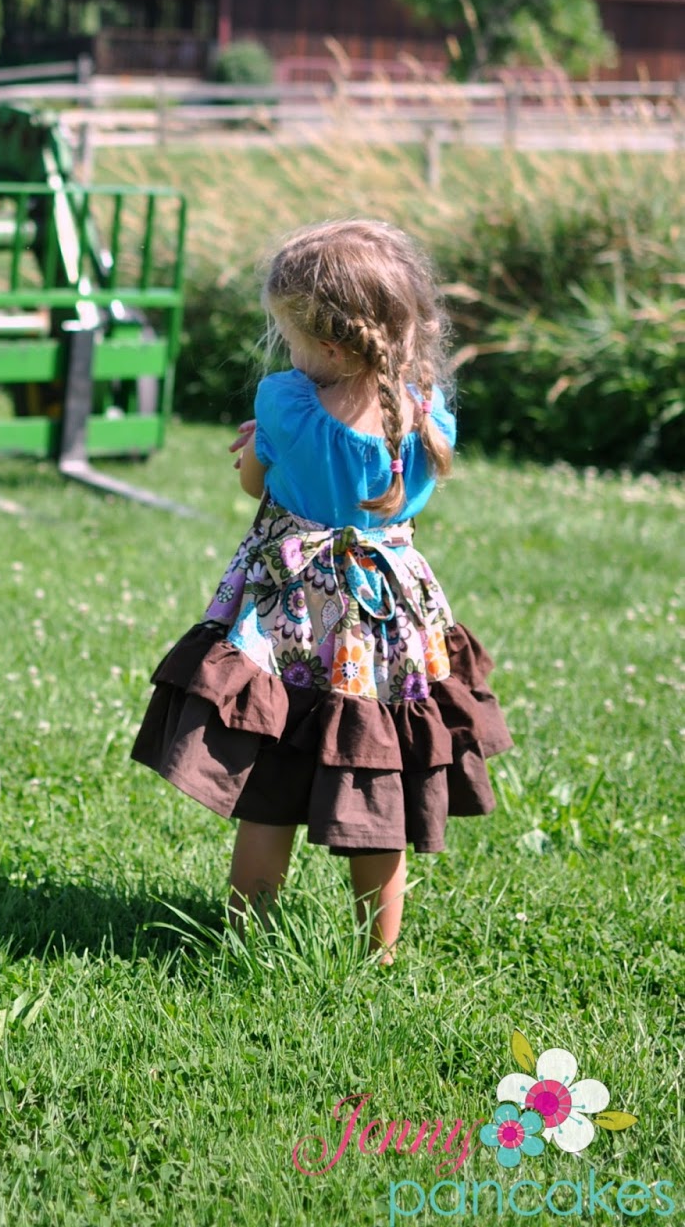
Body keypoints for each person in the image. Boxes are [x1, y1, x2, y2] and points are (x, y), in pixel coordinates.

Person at [131, 219, 512, 960]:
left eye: (291, 336)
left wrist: (254, 451)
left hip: (292, 622)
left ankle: (248, 937)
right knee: (377, 775)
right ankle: (382, 950)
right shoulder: (430, 410)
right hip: (385, 621)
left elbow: (255, 483)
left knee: (269, 776)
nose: (287, 353)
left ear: (330, 346)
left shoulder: (285, 402)